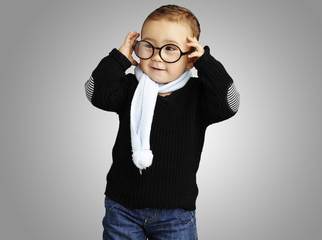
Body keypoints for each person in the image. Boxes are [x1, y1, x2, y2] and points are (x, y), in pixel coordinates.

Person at [85, 4, 240, 240]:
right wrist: (118, 59)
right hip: (122, 208)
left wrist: (206, 63)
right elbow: (94, 91)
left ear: (190, 59)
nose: (156, 57)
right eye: (148, 46)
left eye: (170, 49)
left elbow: (230, 102)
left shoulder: (198, 95)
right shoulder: (129, 88)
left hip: (175, 213)